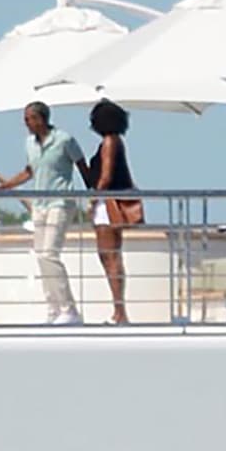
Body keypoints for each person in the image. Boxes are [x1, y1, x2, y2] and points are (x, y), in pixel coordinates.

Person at [0, 101, 90, 325]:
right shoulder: (29, 144)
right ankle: (53, 308)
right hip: (39, 204)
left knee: (49, 253)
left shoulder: (64, 140)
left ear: (40, 119)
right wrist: (3, 187)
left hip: (60, 202)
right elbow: (30, 170)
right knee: (40, 255)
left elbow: (82, 166)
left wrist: (95, 197)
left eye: (29, 119)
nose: (26, 123)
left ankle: (69, 309)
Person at [86, 99, 138, 325]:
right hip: (110, 201)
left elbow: (105, 176)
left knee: (110, 255)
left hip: (108, 204)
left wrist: (92, 200)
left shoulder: (109, 142)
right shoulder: (116, 141)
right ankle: (119, 310)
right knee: (109, 255)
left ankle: (120, 311)